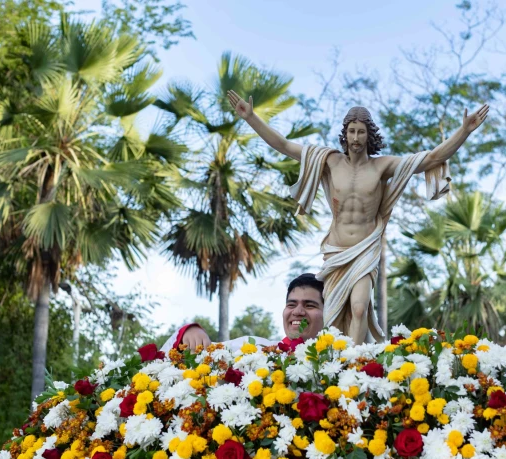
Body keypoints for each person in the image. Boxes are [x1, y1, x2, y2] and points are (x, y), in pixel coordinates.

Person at [227, 90, 488, 344]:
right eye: (351, 131)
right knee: (332, 314)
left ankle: (354, 362)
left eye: (361, 131)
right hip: (336, 249)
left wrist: (464, 130)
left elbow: (431, 158)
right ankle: (334, 358)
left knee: (360, 308)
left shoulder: (382, 166)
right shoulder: (329, 161)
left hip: (365, 248)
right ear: (345, 133)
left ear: (369, 135)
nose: (356, 137)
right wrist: (251, 117)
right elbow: (283, 145)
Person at [159, 273, 325, 353]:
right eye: (291, 304)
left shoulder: (343, 361)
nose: (298, 311)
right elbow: (211, 353)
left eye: (310, 305)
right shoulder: (255, 349)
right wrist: (189, 332)